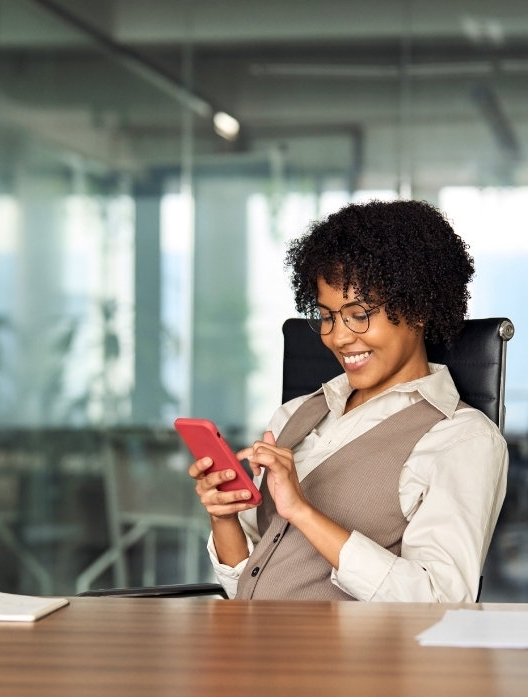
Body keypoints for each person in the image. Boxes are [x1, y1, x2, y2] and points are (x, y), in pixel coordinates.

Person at [187, 199, 508, 602]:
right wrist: (224, 518)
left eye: (359, 314)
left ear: (419, 309)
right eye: (327, 316)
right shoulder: (294, 415)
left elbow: (440, 601)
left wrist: (303, 512)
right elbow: (246, 588)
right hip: (259, 648)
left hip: (352, 662)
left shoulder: (461, 440)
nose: (338, 337)